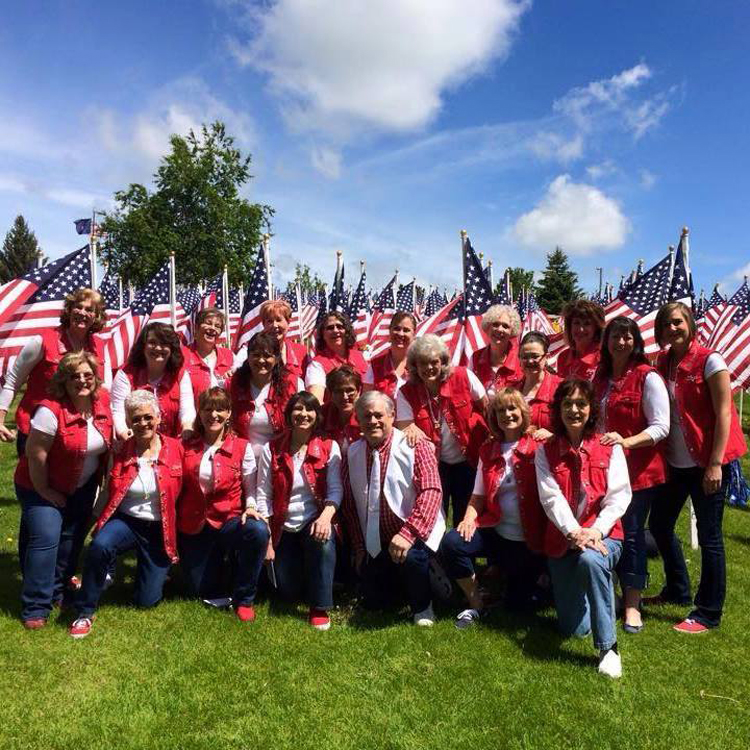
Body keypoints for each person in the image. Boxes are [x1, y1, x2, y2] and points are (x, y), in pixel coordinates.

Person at [648, 302, 747, 633]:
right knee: (660, 524)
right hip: (676, 462)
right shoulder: (662, 362)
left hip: (707, 461)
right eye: (666, 324)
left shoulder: (710, 361)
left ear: (689, 323)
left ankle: (708, 611)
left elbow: (725, 413)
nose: (672, 329)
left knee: (710, 537)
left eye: (677, 322)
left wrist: (716, 463)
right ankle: (677, 588)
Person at [535, 378, 632, 678]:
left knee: (591, 560)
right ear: (558, 410)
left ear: (591, 410)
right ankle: (602, 590)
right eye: (567, 404)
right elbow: (549, 497)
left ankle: (609, 648)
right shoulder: (546, 450)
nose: (574, 410)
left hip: (604, 538)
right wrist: (575, 531)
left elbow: (619, 496)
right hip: (564, 539)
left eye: (581, 404)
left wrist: (595, 531)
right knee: (574, 629)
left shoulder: (608, 447)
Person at [69, 390, 183, 638]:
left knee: (146, 601)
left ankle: (152, 574)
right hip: (127, 521)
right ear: (129, 422)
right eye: (136, 419)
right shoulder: (120, 451)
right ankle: (85, 611)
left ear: (159, 417)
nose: (143, 423)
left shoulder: (177, 449)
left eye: (147, 417)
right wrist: (92, 524)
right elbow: (107, 492)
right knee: (100, 546)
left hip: (159, 528)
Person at [14, 352, 112, 629]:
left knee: (71, 540)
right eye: (74, 376)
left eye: (87, 374)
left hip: (81, 485)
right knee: (46, 539)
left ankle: (58, 591)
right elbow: (36, 453)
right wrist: (44, 490)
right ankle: (36, 605)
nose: (82, 380)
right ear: (63, 381)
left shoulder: (102, 402)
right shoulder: (50, 409)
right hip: (39, 483)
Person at [440, 388, 548, 628]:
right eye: (500, 410)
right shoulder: (487, 450)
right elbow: (477, 496)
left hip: (529, 539)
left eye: (512, 408)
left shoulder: (540, 445)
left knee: (518, 607)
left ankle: (534, 582)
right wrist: (468, 518)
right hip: (496, 532)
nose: (507, 414)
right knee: (452, 543)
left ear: (523, 412)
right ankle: (476, 601)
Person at [342, 391, 445, 626]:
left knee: (412, 560)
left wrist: (408, 534)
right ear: (358, 420)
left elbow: (432, 491)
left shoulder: (415, 444)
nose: (372, 421)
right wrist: (359, 547)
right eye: (366, 416)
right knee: (375, 601)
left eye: (379, 415)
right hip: (376, 539)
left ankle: (423, 606)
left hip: (414, 533)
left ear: (392, 416)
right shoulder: (353, 452)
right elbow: (349, 505)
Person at [593, 316, 669, 633]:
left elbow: (661, 425)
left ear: (635, 341)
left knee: (633, 535)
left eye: (627, 336)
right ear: (606, 342)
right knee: (607, 533)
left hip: (638, 472)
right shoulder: (599, 378)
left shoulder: (647, 377)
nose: (620, 342)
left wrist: (627, 441)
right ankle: (605, 592)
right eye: (614, 336)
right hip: (602, 471)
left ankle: (632, 605)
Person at [178, 388, 269, 622]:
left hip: (229, 520)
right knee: (200, 590)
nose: (214, 415)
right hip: (195, 524)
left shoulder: (242, 446)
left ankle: (245, 598)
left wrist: (250, 506)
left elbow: (250, 487)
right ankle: (222, 567)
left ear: (229, 413)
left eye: (220, 409)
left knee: (257, 531)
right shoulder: (185, 446)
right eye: (208, 409)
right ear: (199, 413)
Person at [255, 392, 343, 630]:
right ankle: (310, 580)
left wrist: (325, 517)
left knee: (323, 541)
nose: (303, 414)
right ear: (288, 414)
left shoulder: (328, 447)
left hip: (313, 521)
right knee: (287, 593)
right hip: (283, 525)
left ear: (317, 415)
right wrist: (268, 539)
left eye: (309, 410)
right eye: (297, 409)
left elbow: (335, 490)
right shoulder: (271, 449)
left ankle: (320, 606)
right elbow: (263, 495)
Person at [0, 288, 109, 453]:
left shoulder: (100, 346)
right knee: (34, 477)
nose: (82, 312)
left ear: (96, 317)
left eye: (89, 310)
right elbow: (13, 381)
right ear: (69, 310)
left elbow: (104, 389)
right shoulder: (41, 341)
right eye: (78, 307)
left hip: (77, 430)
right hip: (37, 428)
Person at [396, 334, 488, 526]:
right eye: (423, 363)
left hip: (469, 459)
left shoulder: (463, 376)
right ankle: (436, 556)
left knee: (465, 517)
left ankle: (461, 554)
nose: (429, 368)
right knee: (435, 518)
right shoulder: (406, 392)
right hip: (434, 465)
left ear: (443, 362)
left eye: (434, 362)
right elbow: (404, 425)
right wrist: (409, 428)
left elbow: (486, 408)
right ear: (414, 365)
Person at [111, 322, 196, 441]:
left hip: (173, 446)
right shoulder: (125, 374)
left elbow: (187, 409)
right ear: (143, 346)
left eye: (164, 344)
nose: (158, 348)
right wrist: (125, 433)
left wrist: (187, 427)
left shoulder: (180, 374)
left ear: (172, 349)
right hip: (134, 445)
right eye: (152, 343)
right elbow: (118, 412)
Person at [229, 332, 303, 455]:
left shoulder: (293, 384)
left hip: (281, 457)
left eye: (267, 356)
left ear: (277, 358)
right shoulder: (233, 384)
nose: (261, 360)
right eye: (256, 355)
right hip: (243, 460)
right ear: (248, 356)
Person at [305, 311, 367, 403]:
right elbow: (316, 402)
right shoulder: (317, 365)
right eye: (330, 328)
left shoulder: (360, 357)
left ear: (347, 331)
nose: (335, 330)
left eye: (340, 327)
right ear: (323, 335)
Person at [510, 331, 562, 439]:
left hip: (550, 451)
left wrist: (554, 436)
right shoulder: (511, 390)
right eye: (525, 357)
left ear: (546, 357)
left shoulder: (561, 388)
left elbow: (576, 427)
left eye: (535, 356)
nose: (530, 361)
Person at [182, 308, 235, 405]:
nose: (212, 328)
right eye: (208, 323)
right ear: (196, 327)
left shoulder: (229, 356)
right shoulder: (182, 355)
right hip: (193, 418)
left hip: (225, 418)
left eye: (217, 326)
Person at [468, 304, 523, 394]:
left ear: (512, 331)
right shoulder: (475, 358)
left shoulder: (521, 358)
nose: (499, 329)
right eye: (495, 324)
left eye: (505, 326)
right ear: (488, 327)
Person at [362, 312, 417, 399]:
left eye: (406, 330)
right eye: (396, 329)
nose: (401, 334)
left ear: (414, 334)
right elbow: (365, 401)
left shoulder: (419, 366)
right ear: (389, 331)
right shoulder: (375, 366)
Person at [556, 300, 606, 381]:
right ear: (569, 326)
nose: (581, 329)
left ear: (596, 328)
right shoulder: (563, 357)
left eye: (587, 324)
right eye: (576, 323)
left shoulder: (604, 357)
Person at [323, 365, 362, 455]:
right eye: (338, 391)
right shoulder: (321, 417)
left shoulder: (368, 416)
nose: (345, 397)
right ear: (330, 393)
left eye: (350, 390)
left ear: (359, 391)